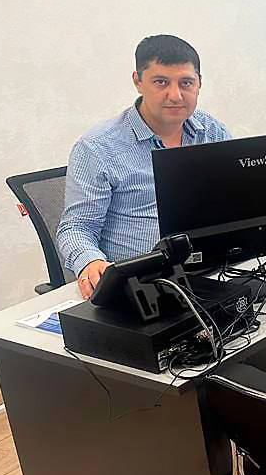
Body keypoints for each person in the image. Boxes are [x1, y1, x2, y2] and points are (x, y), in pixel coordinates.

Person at [57, 35, 231, 299]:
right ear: (138, 81)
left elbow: (236, 203)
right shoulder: (97, 147)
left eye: (186, 83)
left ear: (199, 83)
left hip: (212, 273)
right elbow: (76, 227)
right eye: (161, 82)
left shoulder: (211, 131)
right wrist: (90, 262)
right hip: (141, 288)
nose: (175, 95)